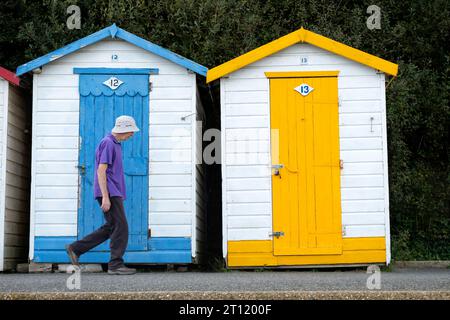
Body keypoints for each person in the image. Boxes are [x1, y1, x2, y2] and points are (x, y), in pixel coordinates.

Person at [65, 115, 140, 275]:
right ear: (124, 129)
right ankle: (115, 265)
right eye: (131, 131)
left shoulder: (116, 144)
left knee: (111, 227)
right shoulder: (108, 143)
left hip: (113, 192)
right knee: (121, 227)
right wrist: (105, 196)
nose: (132, 135)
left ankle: (76, 248)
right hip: (109, 192)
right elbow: (101, 170)